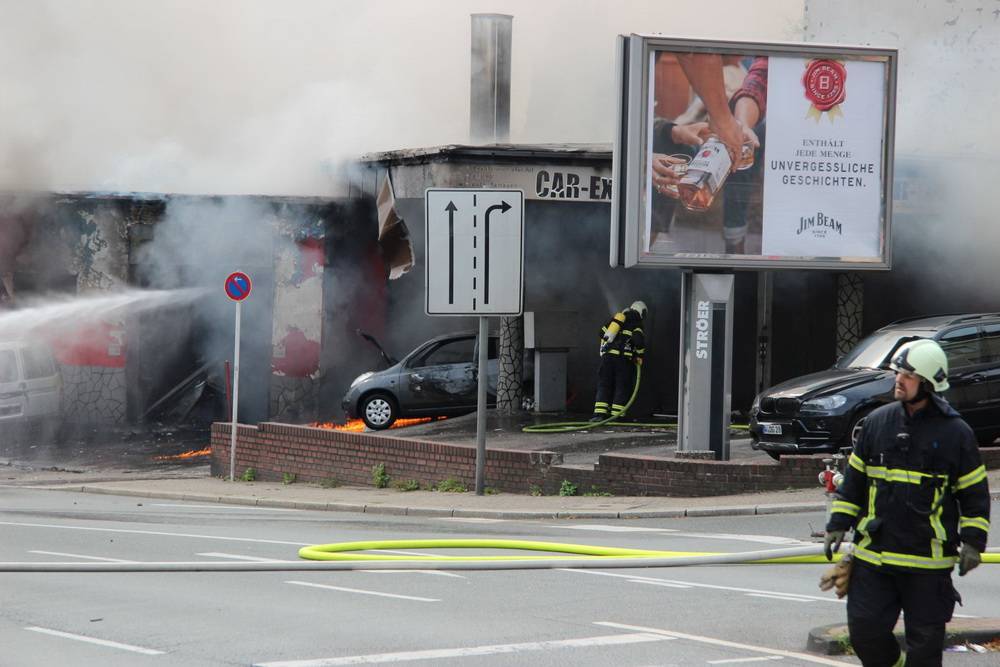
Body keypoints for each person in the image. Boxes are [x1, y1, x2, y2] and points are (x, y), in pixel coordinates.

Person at [823, 338, 991, 666]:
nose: (898, 380)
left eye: (908, 376)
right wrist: (838, 524)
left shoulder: (957, 434)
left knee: (925, 650)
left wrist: (973, 542)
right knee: (864, 632)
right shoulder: (877, 423)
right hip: (876, 558)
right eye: (899, 373)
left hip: (927, 565)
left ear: (927, 384)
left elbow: (974, 495)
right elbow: (854, 482)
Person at [591, 301, 647, 422]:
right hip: (623, 361)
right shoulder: (636, 325)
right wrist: (640, 355)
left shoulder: (617, 321)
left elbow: (601, 333)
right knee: (622, 387)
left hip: (607, 359)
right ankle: (617, 416)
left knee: (604, 385)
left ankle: (599, 414)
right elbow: (639, 342)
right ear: (641, 312)